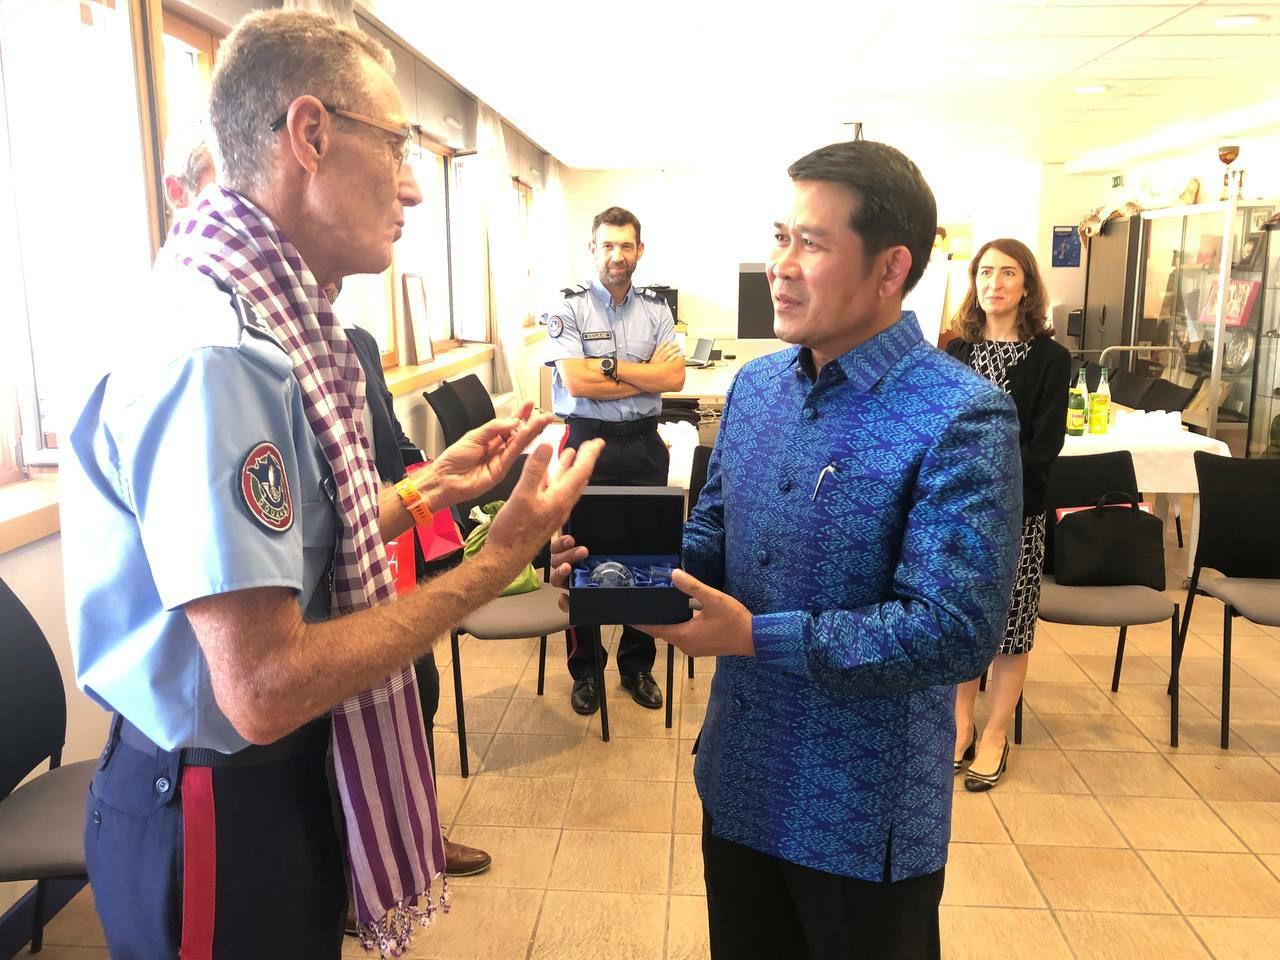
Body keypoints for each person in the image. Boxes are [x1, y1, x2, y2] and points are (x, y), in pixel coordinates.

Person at [60, 11, 600, 959]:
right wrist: (495, 564)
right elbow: (262, 687)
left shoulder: (269, 318)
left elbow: (289, 551)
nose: (412, 188)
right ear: (310, 135)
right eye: (396, 146)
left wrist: (432, 488)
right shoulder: (220, 357)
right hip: (218, 801)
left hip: (265, 779)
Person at [554, 139, 1023, 959]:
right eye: (780, 236)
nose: (781, 265)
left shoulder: (960, 413)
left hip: (862, 814)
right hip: (741, 780)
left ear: (891, 267)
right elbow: (714, 534)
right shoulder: (758, 387)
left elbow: (954, 631)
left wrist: (752, 636)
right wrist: (614, 571)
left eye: (811, 242)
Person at [337, 281, 492, 877]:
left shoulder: (358, 342)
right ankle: (355, 861)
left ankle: (421, 833)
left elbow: (395, 445)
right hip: (324, 575)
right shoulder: (259, 355)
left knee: (419, 684)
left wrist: (437, 494)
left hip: (391, 551)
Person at [543, 206, 685, 715]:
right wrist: (641, 373)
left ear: (639, 250)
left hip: (644, 444)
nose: (616, 255)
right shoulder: (569, 308)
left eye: (626, 245)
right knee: (579, 553)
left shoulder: (657, 311)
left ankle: (636, 665)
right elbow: (576, 383)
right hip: (586, 441)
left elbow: (675, 379)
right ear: (593, 249)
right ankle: (585, 670)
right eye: (607, 245)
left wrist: (606, 368)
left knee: (648, 555)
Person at [947, 239, 1070, 791]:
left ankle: (996, 732)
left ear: (1027, 286)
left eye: (1007, 273)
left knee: (1011, 628)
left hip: (1016, 514)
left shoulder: (1050, 359)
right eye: (985, 272)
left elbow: (1044, 446)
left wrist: (992, 488)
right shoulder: (956, 353)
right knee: (962, 621)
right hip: (956, 514)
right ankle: (960, 724)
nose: (993, 283)